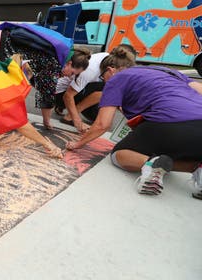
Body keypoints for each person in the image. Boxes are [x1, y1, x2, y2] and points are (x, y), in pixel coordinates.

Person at [65, 47, 202, 199]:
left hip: (168, 122)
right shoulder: (167, 71)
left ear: (111, 70)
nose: (104, 81)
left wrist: (77, 144)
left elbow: (102, 125)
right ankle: (197, 168)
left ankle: (152, 164)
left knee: (120, 154)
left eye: (103, 77)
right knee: (177, 146)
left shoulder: (117, 79)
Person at [0, 22, 91, 129]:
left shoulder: (58, 56)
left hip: (0, 43)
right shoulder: (54, 63)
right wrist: (47, 123)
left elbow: (29, 80)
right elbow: (46, 96)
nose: (69, 77)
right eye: (72, 73)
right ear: (69, 63)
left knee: (14, 87)